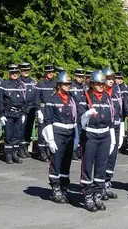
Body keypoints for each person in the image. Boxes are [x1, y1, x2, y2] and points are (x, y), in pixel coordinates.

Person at [78, 70, 115, 212]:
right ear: (92, 84)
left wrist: (111, 135)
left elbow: (111, 116)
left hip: (105, 135)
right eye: (98, 83)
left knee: (101, 166)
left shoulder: (107, 97)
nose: (101, 85)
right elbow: (80, 119)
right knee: (87, 166)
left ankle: (98, 194)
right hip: (90, 135)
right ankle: (88, 195)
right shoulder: (85, 97)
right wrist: (86, 115)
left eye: (102, 83)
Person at [41, 71, 77, 204]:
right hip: (57, 132)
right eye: (65, 84)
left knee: (67, 161)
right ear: (59, 84)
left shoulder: (72, 98)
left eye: (69, 83)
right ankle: (55, 187)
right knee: (56, 160)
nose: (68, 86)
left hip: (70, 132)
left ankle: (64, 186)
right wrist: (50, 139)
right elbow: (48, 120)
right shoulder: (52, 98)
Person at [101, 67, 124, 200]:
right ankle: (100, 184)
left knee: (113, 155)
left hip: (115, 125)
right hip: (105, 127)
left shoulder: (116, 90)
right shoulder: (100, 92)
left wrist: (121, 125)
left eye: (112, 79)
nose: (111, 81)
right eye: (108, 79)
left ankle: (107, 181)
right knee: (104, 155)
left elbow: (120, 108)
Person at [0, 64, 27, 164]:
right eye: (12, 73)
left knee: (17, 135)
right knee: (9, 135)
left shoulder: (21, 84)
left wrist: (23, 113)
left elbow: (24, 100)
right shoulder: (4, 84)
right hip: (8, 113)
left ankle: (15, 153)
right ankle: (8, 154)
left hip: (19, 113)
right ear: (9, 73)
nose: (14, 74)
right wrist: (1, 115)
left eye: (16, 73)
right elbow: (0, 101)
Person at [35, 64, 57, 162]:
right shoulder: (40, 84)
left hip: (52, 109)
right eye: (48, 72)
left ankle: (48, 149)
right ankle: (41, 151)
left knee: (51, 130)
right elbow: (36, 98)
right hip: (43, 109)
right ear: (45, 73)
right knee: (42, 130)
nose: (50, 74)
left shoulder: (55, 84)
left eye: (52, 72)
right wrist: (38, 110)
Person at [18, 63, 37, 158]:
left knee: (29, 128)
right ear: (20, 71)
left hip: (32, 108)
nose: (26, 71)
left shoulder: (33, 82)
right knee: (21, 128)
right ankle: (20, 147)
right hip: (22, 108)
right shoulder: (18, 81)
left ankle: (26, 145)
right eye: (24, 70)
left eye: (27, 70)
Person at [70, 68, 86, 160]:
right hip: (75, 114)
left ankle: (80, 151)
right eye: (79, 77)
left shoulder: (84, 87)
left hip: (83, 114)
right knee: (75, 134)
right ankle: (74, 151)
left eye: (81, 77)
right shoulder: (71, 87)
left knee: (81, 134)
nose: (80, 79)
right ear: (75, 76)